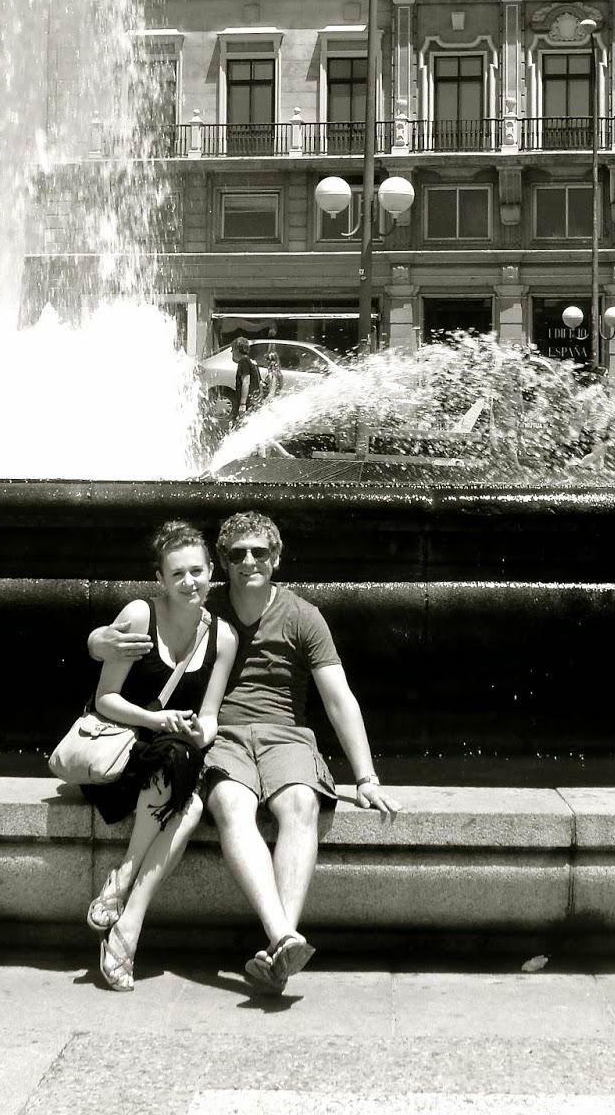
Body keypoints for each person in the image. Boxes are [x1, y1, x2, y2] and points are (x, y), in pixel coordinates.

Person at [89, 509, 397, 995]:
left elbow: (339, 699)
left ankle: (280, 944)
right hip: (224, 737)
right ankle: (283, 940)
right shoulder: (203, 605)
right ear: (223, 562)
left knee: (300, 804)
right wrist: (96, 641)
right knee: (233, 804)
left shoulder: (303, 616)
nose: (249, 561)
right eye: (237, 554)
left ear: (277, 557)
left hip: (287, 736)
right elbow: (147, 620)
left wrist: (366, 778)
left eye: (260, 552)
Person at [83, 520, 237, 992]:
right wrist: (155, 720)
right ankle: (127, 876)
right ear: (160, 579)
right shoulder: (138, 615)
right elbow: (105, 698)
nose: (189, 582)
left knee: (187, 793)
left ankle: (127, 921)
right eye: (177, 574)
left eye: (197, 571)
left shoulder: (223, 638)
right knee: (185, 795)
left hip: (171, 758)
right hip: (119, 756)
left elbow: (209, 717)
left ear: (211, 572)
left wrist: (195, 732)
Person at [230, 336, 262, 426]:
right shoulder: (251, 361)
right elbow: (259, 382)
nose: (231, 352)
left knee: (240, 425)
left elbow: (246, 382)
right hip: (253, 400)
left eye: (233, 349)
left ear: (237, 349)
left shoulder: (243, 361)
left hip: (247, 402)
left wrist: (243, 404)